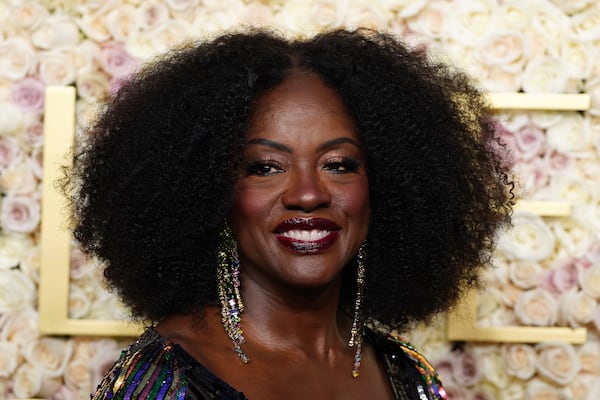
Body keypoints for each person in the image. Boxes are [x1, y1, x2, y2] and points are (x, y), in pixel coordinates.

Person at [65, 28, 513, 400]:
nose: (307, 194)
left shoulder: (409, 376)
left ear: (386, 188)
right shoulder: (167, 379)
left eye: (338, 164)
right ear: (211, 193)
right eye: (264, 167)